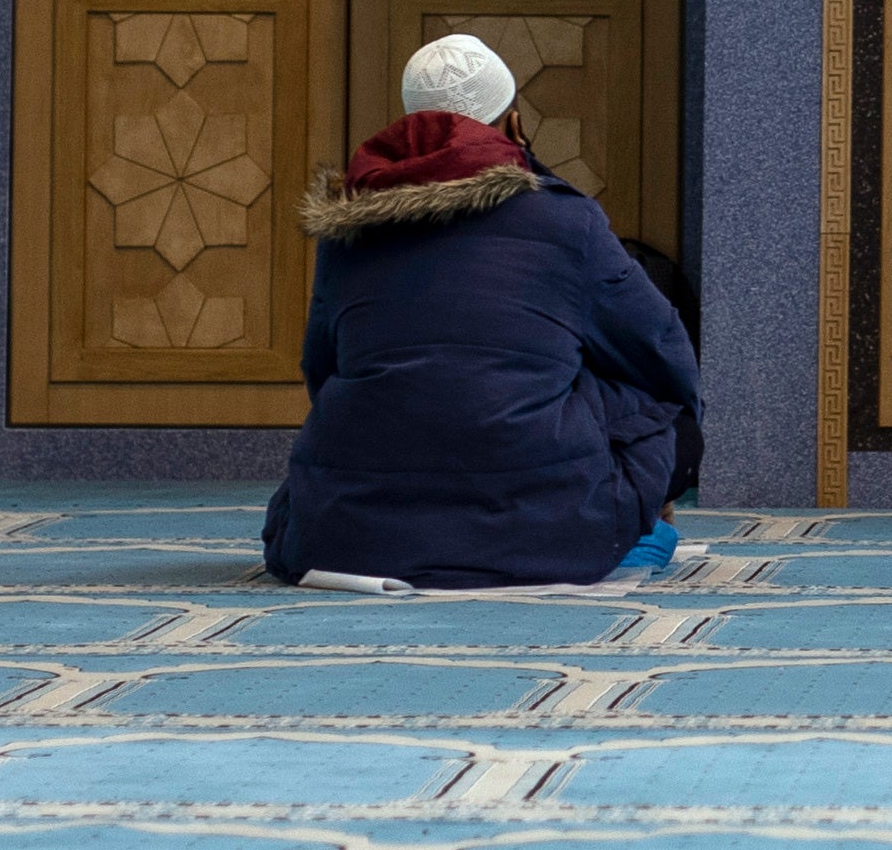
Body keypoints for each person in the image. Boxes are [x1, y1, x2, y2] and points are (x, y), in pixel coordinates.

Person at [262, 33, 702, 591]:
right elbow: (658, 348)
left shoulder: (348, 227)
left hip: (351, 533)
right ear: (514, 125)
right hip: (538, 524)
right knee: (662, 410)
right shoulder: (565, 221)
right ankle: (626, 537)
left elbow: (322, 369)